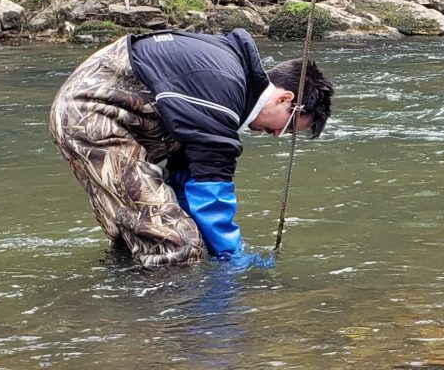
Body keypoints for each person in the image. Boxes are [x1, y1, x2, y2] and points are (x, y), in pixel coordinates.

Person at [48, 29, 332, 267]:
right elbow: (211, 190)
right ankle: (172, 327)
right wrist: (233, 257)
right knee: (177, 244)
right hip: (92, 114)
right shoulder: (225, 89)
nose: (278, 135)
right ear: (285, 99)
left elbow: (186, 177)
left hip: (96, 112)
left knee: (149, 232)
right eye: (289, 127)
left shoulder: (229, 83)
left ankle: (126, 307)